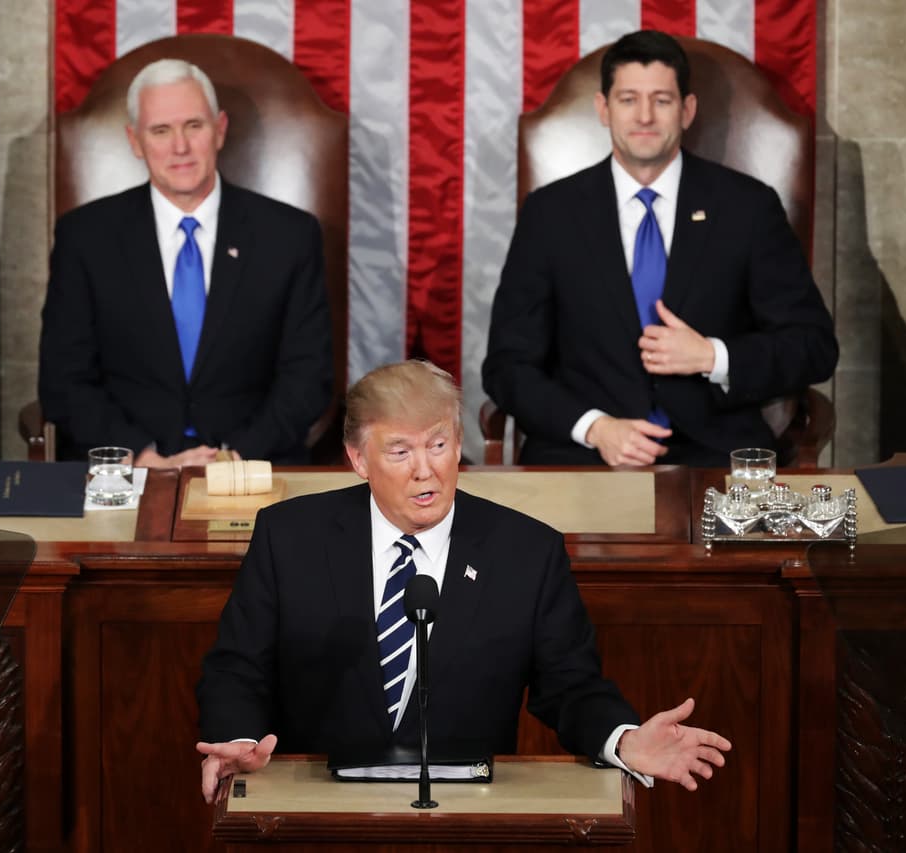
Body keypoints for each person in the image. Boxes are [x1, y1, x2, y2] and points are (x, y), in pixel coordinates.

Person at [195, 360, 730, 802]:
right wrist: (238, 741)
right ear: (359, 459)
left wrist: (624, 739)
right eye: (400, 451)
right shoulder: (290, 536)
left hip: (468, 809)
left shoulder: (526, 551)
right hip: (317, 802)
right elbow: (236, 667)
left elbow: (572, 687)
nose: (424, 470)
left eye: (439, 445)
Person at [481, 30, 838, 468]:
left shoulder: (748, 207)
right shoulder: (550, 214)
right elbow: (507, 366)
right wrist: (593, 426)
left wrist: (714, 356)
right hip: (582, 457)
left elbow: (814, 346)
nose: (645, 116)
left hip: (714, 457)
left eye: (662, 100)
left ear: (687, 111)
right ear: (603, 108)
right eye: (629, 99)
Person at [38, 59, 333, 467]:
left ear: (220, 130)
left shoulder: (289, 235)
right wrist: (140, 457)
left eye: (194, 126)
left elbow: (308, 378)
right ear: (135, 141)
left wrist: (233, 458)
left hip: (253, 466)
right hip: (126, 469)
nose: (180, 146)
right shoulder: (85, 237)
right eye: (161, 130)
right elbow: (64, 380)